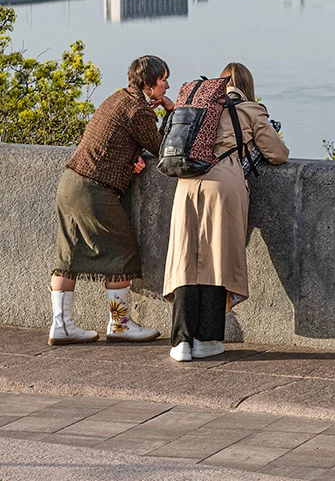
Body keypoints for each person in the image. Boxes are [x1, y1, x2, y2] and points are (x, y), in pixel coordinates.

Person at [164, 63, 288, 362]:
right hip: (223, 185)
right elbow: (277, 153)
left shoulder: (201, 106)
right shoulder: (249, 109)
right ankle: (207, 339)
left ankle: (181, 341)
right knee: (216, 259)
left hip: (187, 185)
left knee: (186, 258)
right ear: (247, 83)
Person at [49, 55, 173, 346]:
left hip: (70, 183)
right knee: (122, 250)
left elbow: (116, 143)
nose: (167, 85)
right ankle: (119, 325)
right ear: (148, 84)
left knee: (67, 256)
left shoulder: (117, 99)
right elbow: (163, 148)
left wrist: (133, 157)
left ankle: (62, 326)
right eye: (163, 80)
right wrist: (171, 111)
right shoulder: (139, 109)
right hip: (95, 189)